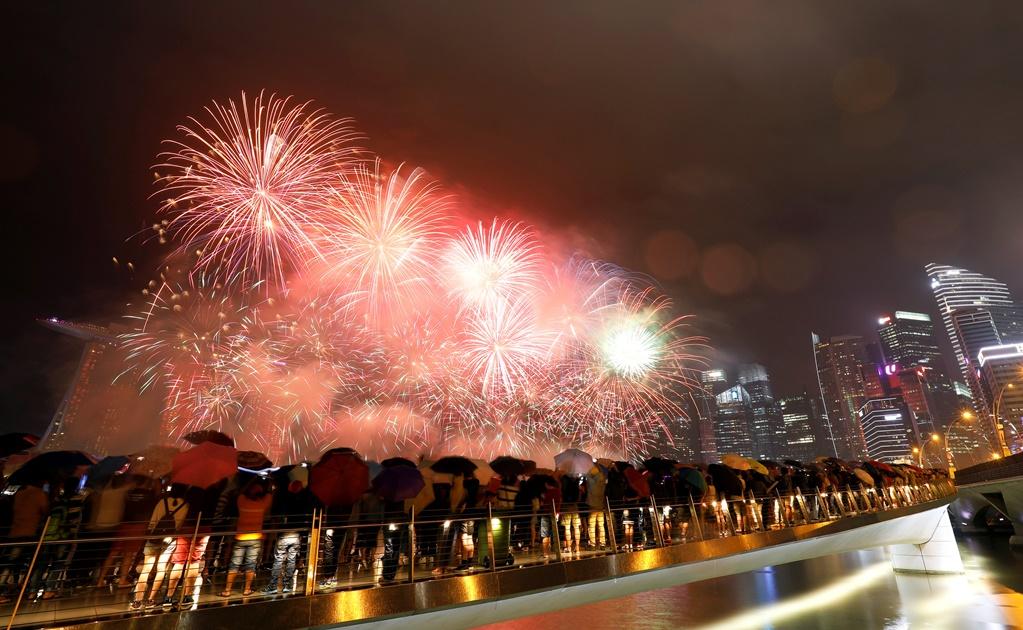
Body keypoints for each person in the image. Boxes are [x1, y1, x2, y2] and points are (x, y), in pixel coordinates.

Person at [97, 475, 157, 588]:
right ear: (146, 482)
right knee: (129, 554)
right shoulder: (150, 494)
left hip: (124, 524)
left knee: (113, 552)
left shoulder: (128, 493)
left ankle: (100, 581)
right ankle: (122, 580)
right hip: (138, 526)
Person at [0, 480, 50, 603]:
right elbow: (45, 511)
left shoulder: (19, 494)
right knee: (31, 561)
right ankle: (21, 587)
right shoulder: (39, 494)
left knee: (10, 563)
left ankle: (7, 586)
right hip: (29, 533)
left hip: (14, 533)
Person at [221, 479, 272, 597]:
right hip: (255, 538)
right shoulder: (262, 503)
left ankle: (227, 590)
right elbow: (269, 493)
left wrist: (251, 481)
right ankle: (247, 589)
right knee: (251, 564)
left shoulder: (242, 501)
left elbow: (241, 492)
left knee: (234, 564)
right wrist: (268, 481)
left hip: (240, 537)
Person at [265, 477, 314, 595]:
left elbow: (278, 514)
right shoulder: (303, 501)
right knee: (292, 560)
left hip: (284, 532)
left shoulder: (285, 500)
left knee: (278, 559)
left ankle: (273, 586)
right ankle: (288, 585)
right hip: (296, 534)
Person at [559, 474, 583, 556]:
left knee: (567, 528)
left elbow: (561, 495)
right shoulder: (576, 482)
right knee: (576, 528)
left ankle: (569, 548)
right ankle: (577, 548)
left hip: (566, 507)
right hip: (575, 507)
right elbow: (579, 498)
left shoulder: (564, 481)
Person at [585, 466, 608, 550]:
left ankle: (592, 544)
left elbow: (587, 479)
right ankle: (603, 543)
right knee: (601, 525)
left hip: (592, 505)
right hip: (601, 505)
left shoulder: (592, 481)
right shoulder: (602, 480)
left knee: (591, 525)